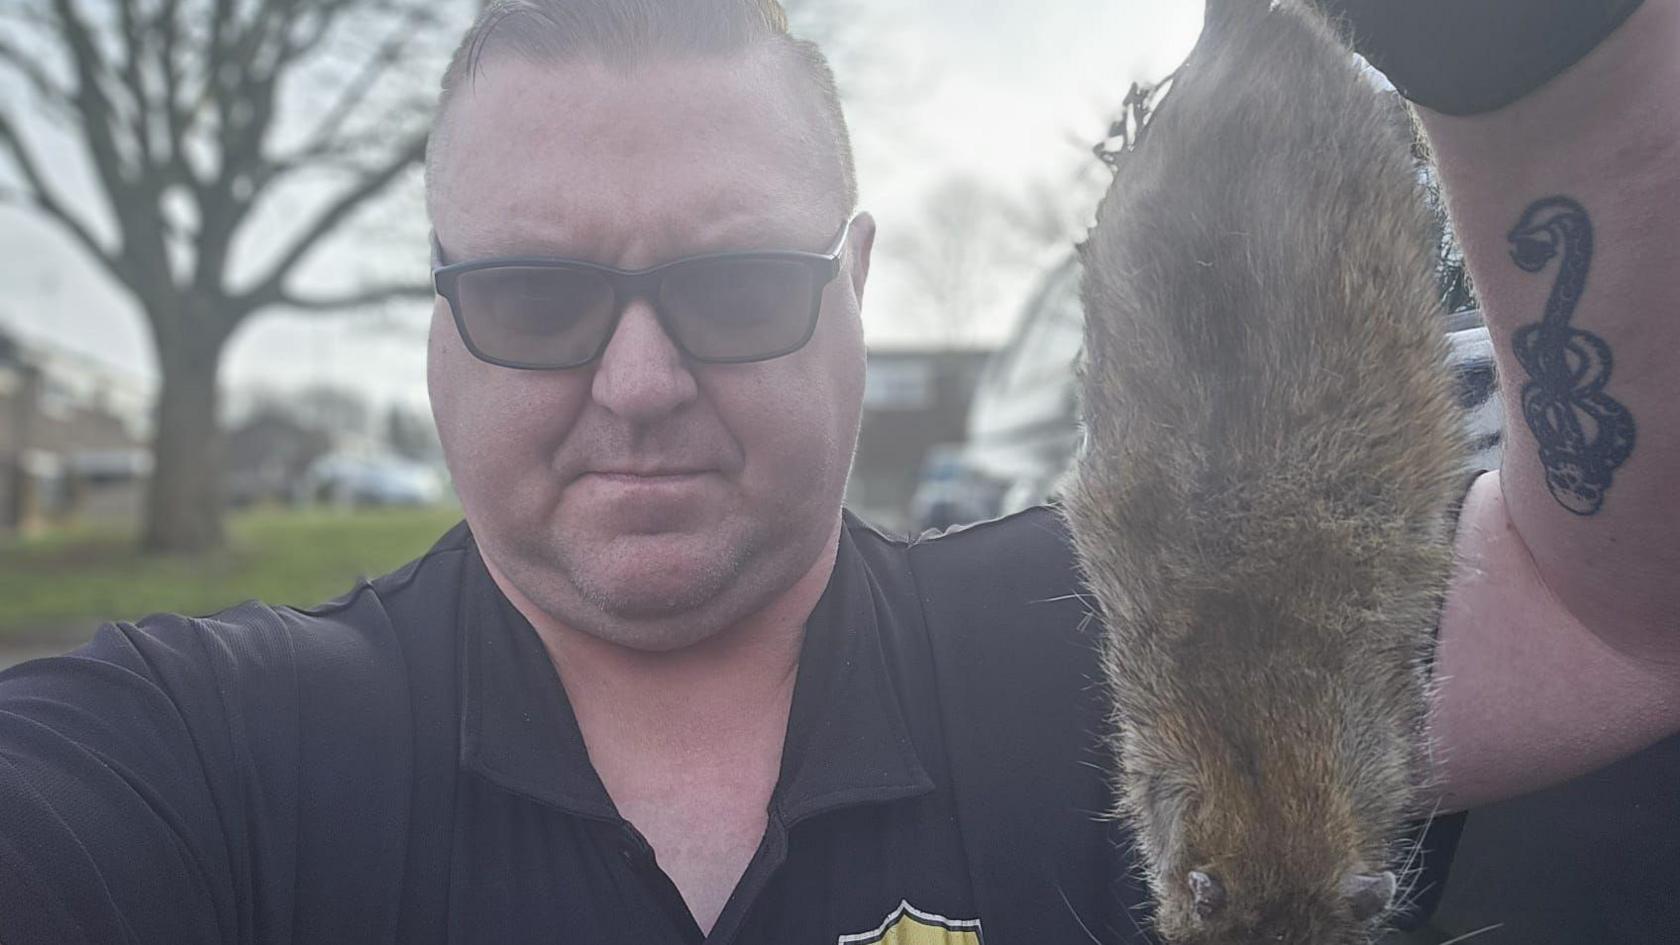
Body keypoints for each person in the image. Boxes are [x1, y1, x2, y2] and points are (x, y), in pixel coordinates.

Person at [0, 0, 1675, 943]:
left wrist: (1527, 55)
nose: (637, 382)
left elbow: (1617, 623)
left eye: (733, 286)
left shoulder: (1101, 646)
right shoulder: (212, 757)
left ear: (858, 286)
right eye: (533, 295)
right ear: (435, 317)